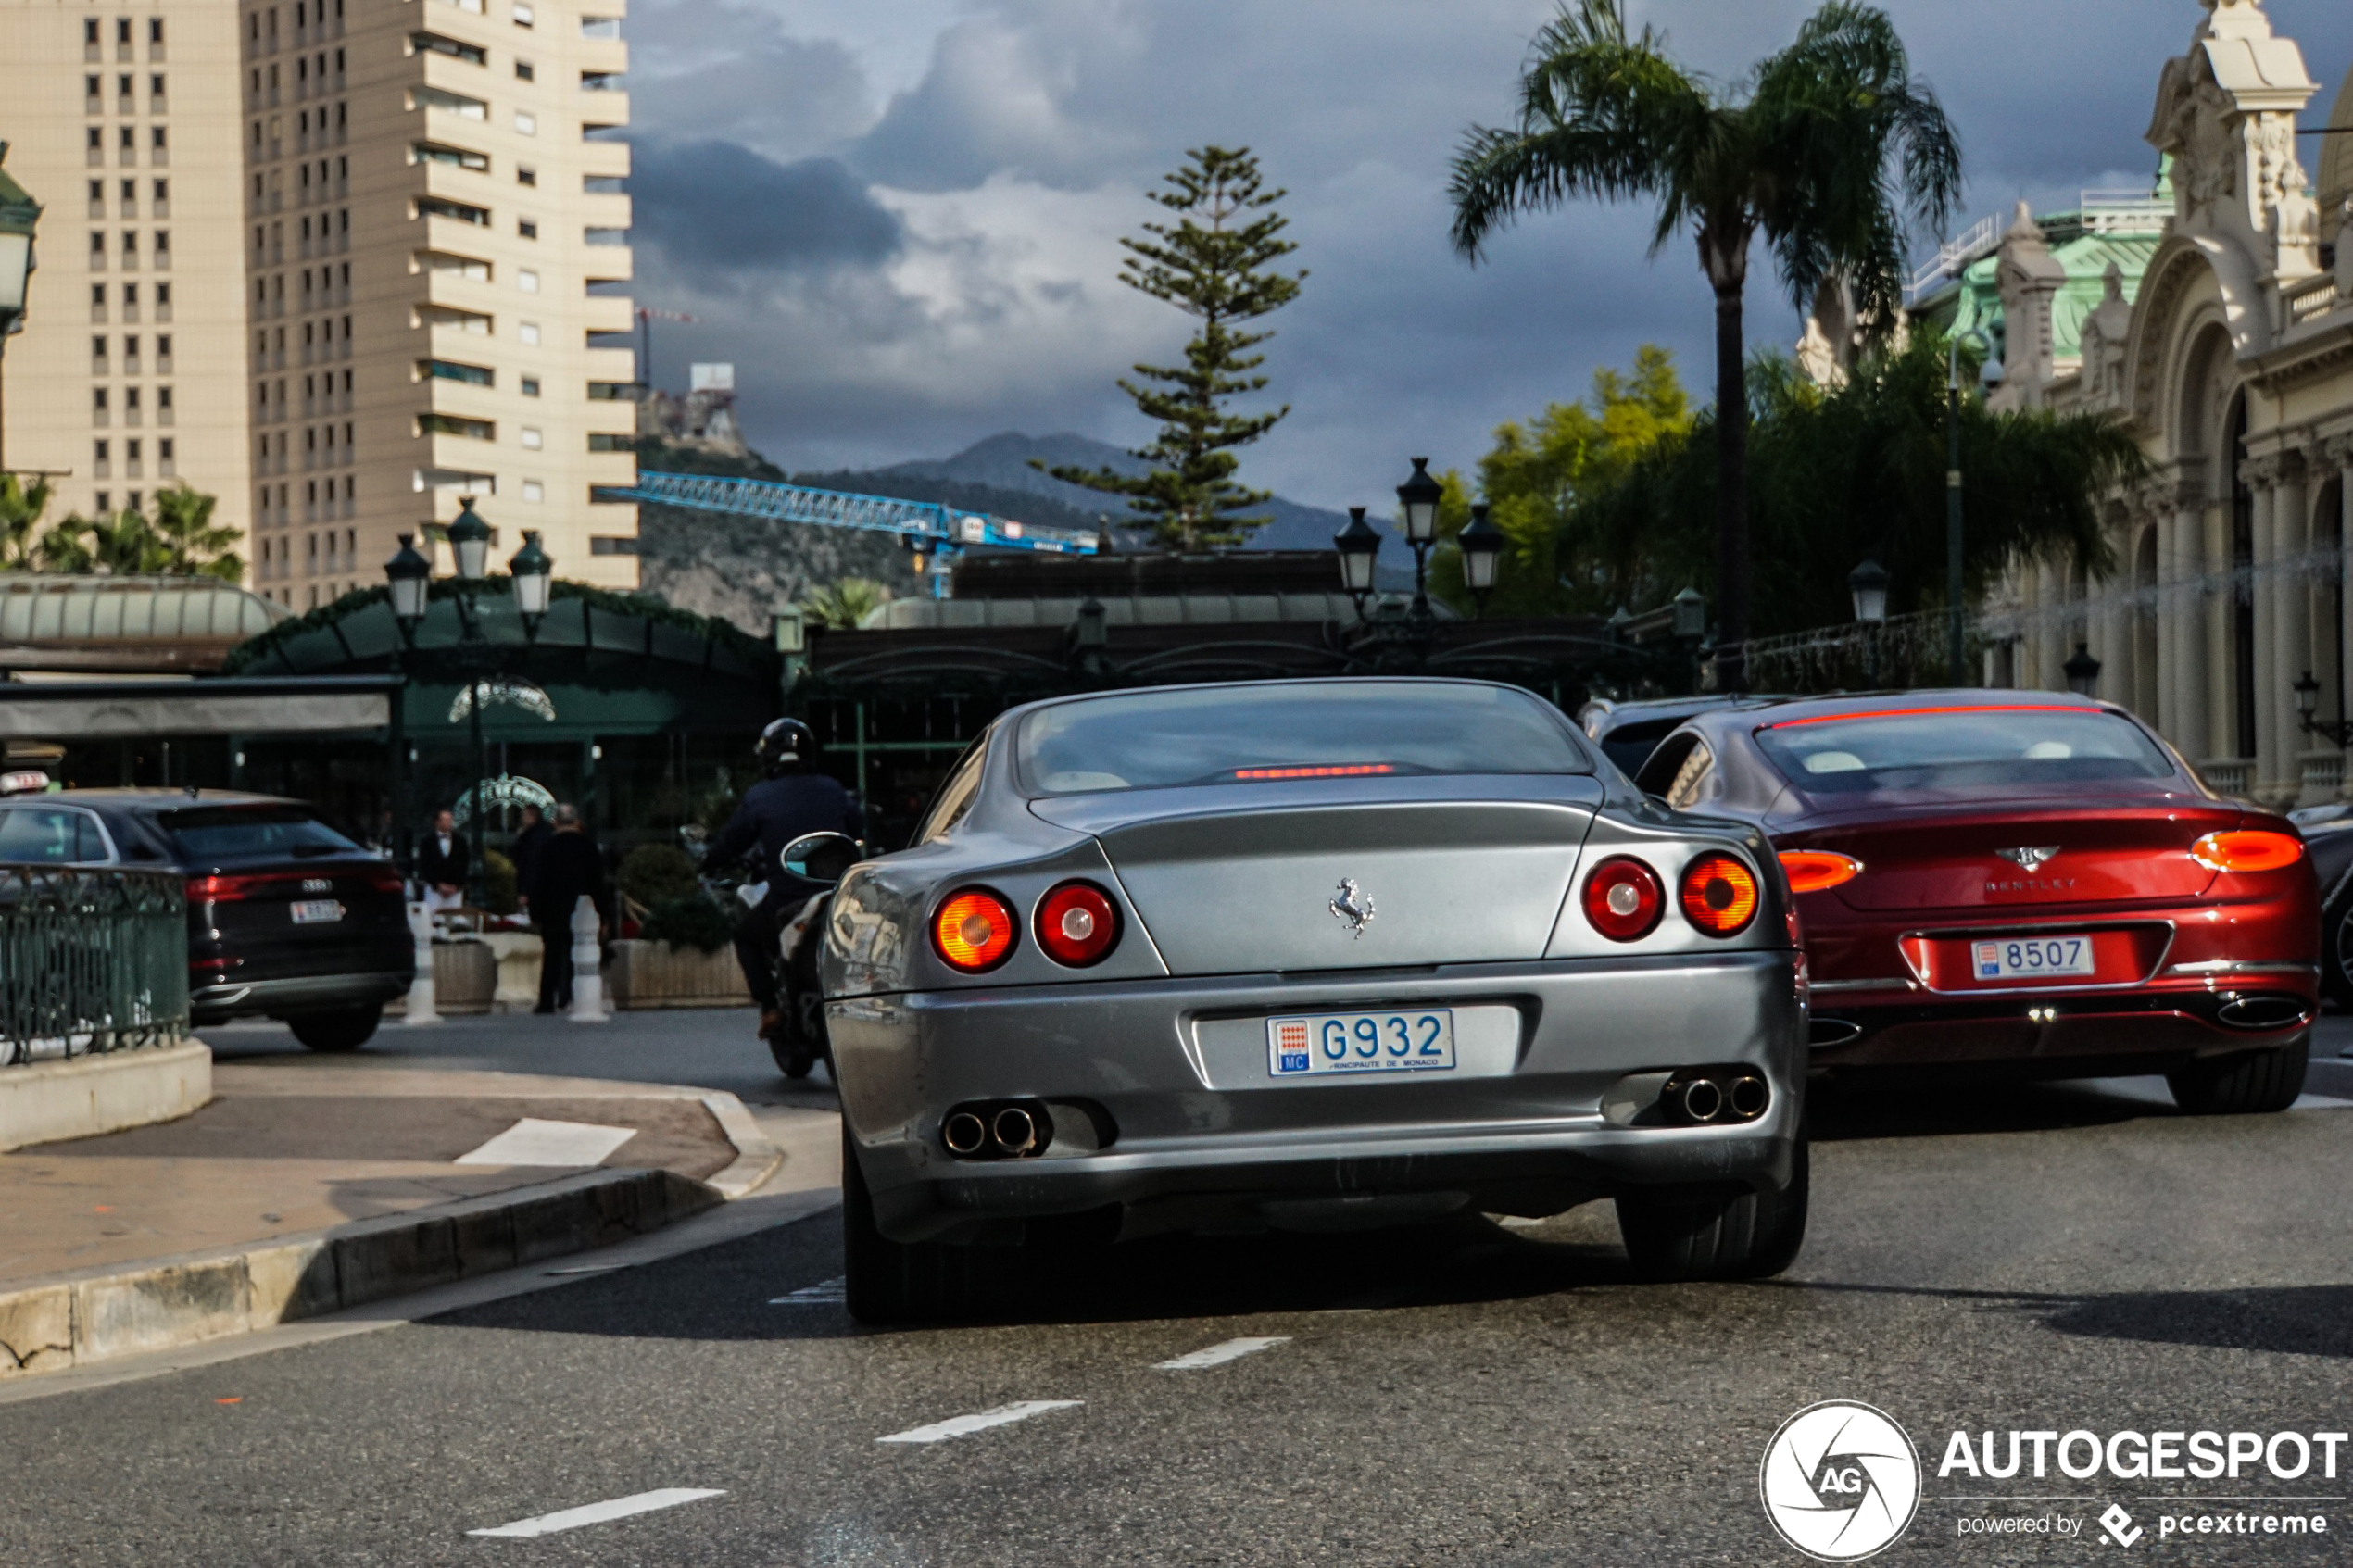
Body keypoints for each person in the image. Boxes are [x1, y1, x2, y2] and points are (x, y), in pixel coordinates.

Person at [699, 717, 863, 1040]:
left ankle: (770, 1006)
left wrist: (708, 861)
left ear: (768, 757)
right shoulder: (833, 789)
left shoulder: (760, 797)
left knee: (745, 936)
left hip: (788, 901)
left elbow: (732, 841)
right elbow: (857, 829)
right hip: (838, 898)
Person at [527, 803, 608, 1013]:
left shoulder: (547, 847)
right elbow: (598, 883)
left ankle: (547, 1000)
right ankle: (570, 996)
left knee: (552, 955)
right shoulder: (588, 847)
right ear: (577, 821)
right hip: (582, 909)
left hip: (553, 909)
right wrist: (603, 914)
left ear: (556, 822)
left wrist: (535, 912)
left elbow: (538, 881)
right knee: (578, 952)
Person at [416, 808, 469, 914]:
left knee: (454, 919)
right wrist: (437, 885)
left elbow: (465, 863)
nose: (449, 823)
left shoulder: (460, 841)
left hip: (454, 890)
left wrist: (456, 885)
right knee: (433, 918)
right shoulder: (427, 841)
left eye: (450, 820)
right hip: (434, 890)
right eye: (445, 820)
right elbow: (424, 864)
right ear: (437, 822)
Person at [510, 803, 553, 919]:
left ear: (532, 816)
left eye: (524, 816)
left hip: (534, 889)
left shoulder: (532, 838)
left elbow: (530, 864)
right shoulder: (544, 834)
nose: (522, 819)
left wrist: (524, 891)